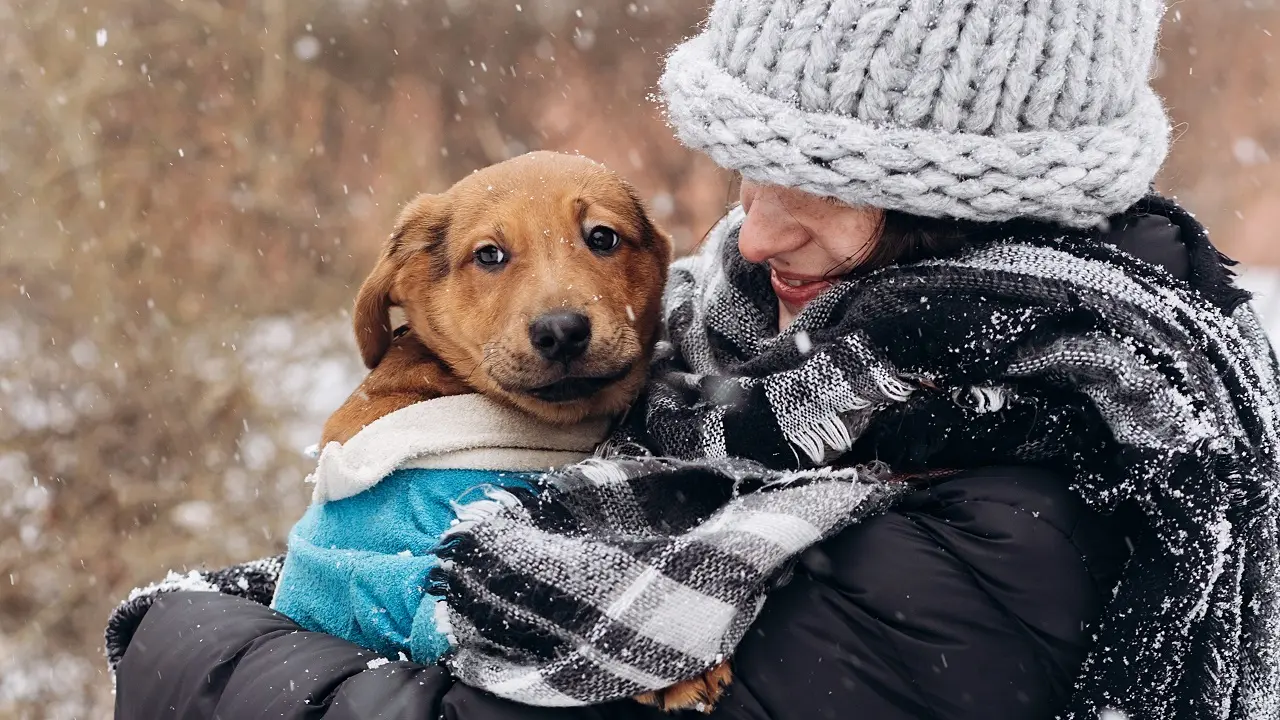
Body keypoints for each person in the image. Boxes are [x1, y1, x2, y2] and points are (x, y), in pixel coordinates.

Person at [107, 1, 1280, 719]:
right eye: (745, 169)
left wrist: (184, 642)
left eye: (826, 183)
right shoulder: (756, 369)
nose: (751, 233)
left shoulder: (1027, 500)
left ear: (975, 210)